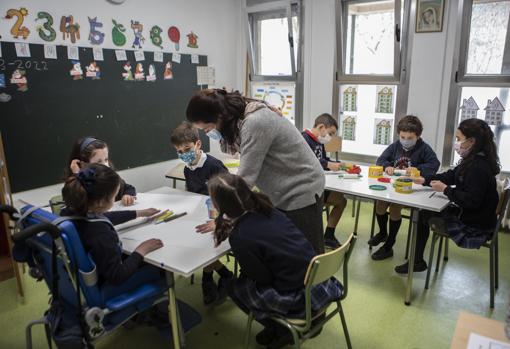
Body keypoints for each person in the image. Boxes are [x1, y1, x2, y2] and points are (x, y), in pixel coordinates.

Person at [207, 173, 342, 348]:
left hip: (296, 296)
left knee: (234, 286)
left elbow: (262, 278)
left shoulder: (240, 236)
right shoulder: (269, 209)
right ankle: (280, 328)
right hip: (318, 282)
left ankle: (282, 329)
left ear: (219, 206)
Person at [186, 88, 326, 254]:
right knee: (288, 248)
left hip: (302, 189)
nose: (209, 133)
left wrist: (224, 219)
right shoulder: (240, 117)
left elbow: (245, 180)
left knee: (308, 253)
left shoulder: (255, 122)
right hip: (281, 189)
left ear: (220, 117)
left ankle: (318, 280)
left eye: (207, 128)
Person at [395, 118, 500, 273]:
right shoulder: (473, 159)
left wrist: (445, 190)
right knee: (424, 212)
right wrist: (425, 180)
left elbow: (472, 201)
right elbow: (451, 175)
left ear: (471, 141)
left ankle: (416, 261)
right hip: (475, 216)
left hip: (473, 225)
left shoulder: (478, 167)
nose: (456, 143)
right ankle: (416, 260)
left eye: (458, 139)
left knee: (421, 214)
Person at [61, 164, 164, 288]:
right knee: (158, 266)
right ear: (100, 203)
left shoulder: (70, 211)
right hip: (106, 283)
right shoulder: (100, 233)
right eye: (114, 197)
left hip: (77, 280)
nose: (115, 199)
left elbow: (104, 218)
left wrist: (138, 213)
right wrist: (141, 250)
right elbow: (117, 276)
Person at [170, 121, 233, 305]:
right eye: (179, 151)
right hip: (201, 216)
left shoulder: (214, 166)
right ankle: (222, 274)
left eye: (187, 148)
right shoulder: (187, 170)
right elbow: (192, 197)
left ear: (198, 144)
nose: (184, 154)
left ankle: (211, 278)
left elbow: (230, 196)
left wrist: (220, 218)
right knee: (191, 239)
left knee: (204, 244)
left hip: (224, 217)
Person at [368, 115, 440, 261]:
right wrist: (386, 166)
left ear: (418, 136)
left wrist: (416, 168)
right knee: (380, 205)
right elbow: (381, 159)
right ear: (398, 134)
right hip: (391, 186)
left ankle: (389, 244)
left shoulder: (424, 148)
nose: (406, 140)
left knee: (395, 208)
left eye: (410, 137)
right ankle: (383, 233)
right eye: (403, 136)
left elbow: (434, 165)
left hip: (409, 189)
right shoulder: (395, 146)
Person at [302, 113, 347, 248]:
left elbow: (323, 160)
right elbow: (308, 162)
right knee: (341, 201)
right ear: (321, 127)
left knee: (342, 201)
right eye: (331, 133)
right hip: (308, 189)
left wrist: (336, 164)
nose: (331, 137)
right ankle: (322, 236)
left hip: (319, 184)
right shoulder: (304, 139)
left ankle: (329, 235)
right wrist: (328, 165)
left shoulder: (319, 141)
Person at [65, 137, 137, 206]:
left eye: (106, 159)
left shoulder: (109, 177)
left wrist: (127, 194)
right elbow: (78, 203)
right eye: (99, 161)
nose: (105, 165)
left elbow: (128, 188)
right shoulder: (77, 184)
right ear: (83, 164)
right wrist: (77, 175)